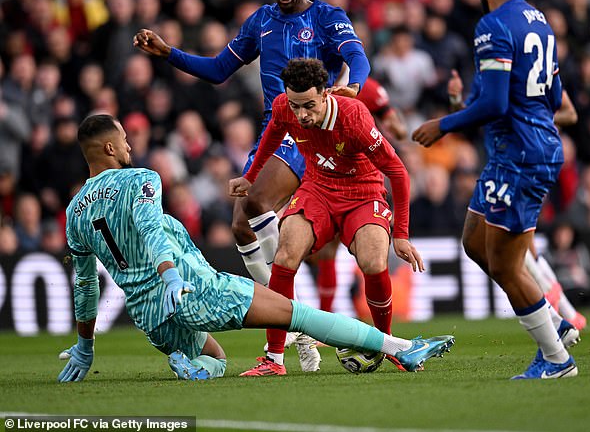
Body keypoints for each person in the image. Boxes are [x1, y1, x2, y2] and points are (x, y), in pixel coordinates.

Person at [57, 113, 454, 382]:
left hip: (150, 315)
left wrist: (85, 347)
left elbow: (86, 286)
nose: (129, 145)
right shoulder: (140, 178)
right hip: (193, 289)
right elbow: (150, 230)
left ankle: (192, 365)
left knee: (216, 357)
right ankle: (402, 347)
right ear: (109, 149)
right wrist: (171, 273)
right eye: (124, 139)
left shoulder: (74, 211)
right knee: (297, 315)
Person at [133, 0, 370, 370]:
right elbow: (219, 69)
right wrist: (170, 53)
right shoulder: (260, 22)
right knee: (241, 225)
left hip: (312, 124)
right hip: (273, 127)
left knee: (257, 202)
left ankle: (301, 321)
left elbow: (358, 57)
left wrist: (352, 85)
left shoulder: (327, 17)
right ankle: (298, 326)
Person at [412, 0, 577, 379]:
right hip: (516, 151)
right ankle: (553, 322)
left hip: (520, 154)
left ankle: (557, 359)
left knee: (504, 262)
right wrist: (463, 104)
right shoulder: (540, 23)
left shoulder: (492, 24)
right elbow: (555, 99)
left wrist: (444, 123)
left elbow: (497, 102)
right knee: (474, 241)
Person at [228, 58, 449, 376]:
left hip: (363, 192)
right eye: (295, 105)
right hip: (317, 189)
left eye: (309, 105)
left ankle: (388, 346)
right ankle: (274, 360)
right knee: (285, 255)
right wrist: (250, 176)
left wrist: (400, 234)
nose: (302, 114)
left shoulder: (353, 116)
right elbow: (272, 137)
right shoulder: (283, 107)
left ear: (325, 93)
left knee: (374, 261)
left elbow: (398, 172)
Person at [446, 70, 587, 332]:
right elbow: (472, 116)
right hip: (498, 165)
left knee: (512, 247)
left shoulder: (535, 70)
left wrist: (530, 121)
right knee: (516, 247)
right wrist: (456, 102)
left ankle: (559, 319)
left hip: (523, 166)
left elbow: (570, 113)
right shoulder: (485, 75)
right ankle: (565, 314)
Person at [306, 76, 407, 315]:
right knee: (326, 253)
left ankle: (377, 325)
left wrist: (390, 129)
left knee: (369, 255)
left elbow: (398, 129)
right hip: (327, 176)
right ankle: (326, 318)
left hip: (364, 181)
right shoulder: (308, 91)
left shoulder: (366, 87)